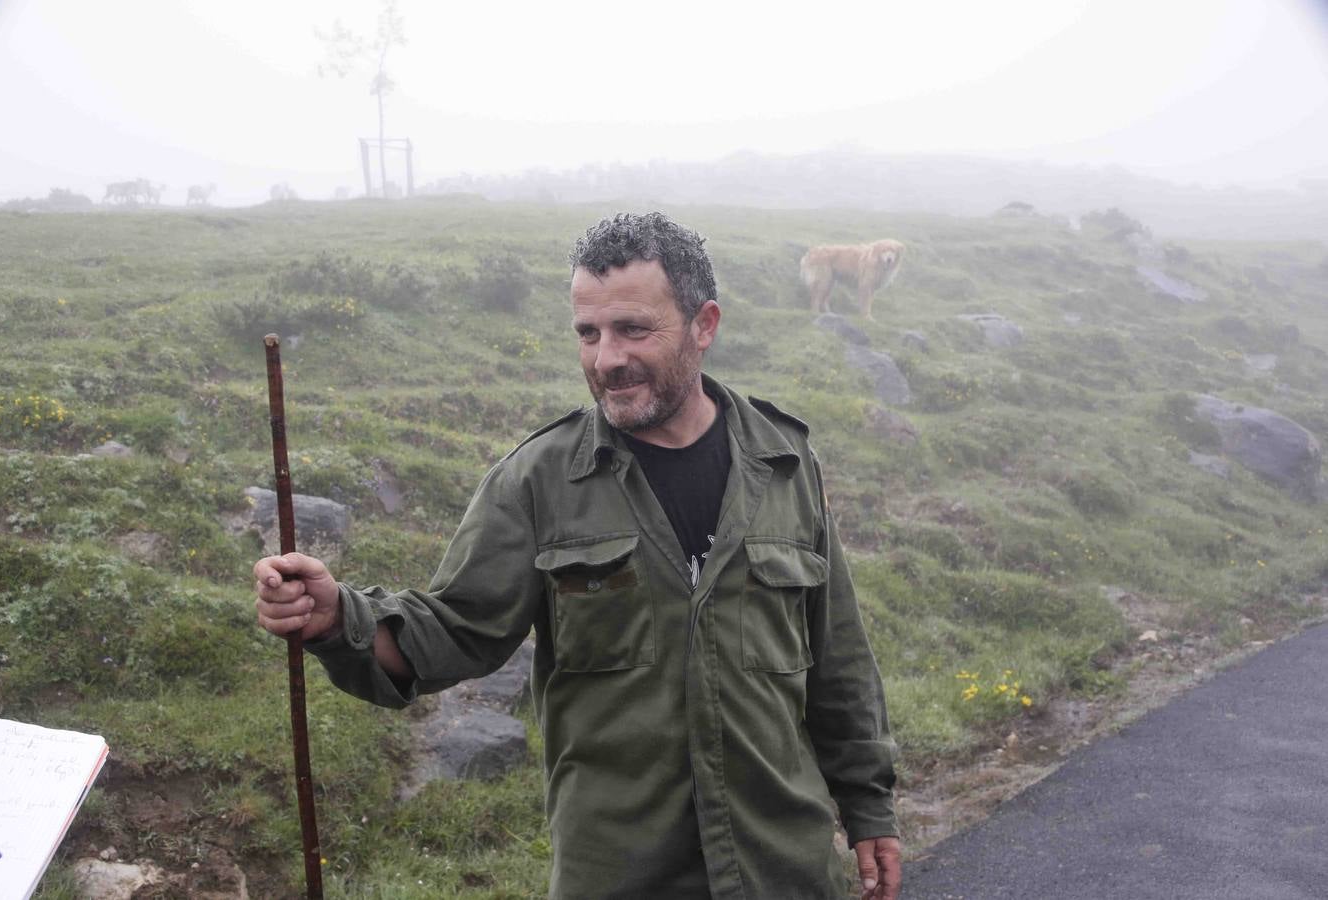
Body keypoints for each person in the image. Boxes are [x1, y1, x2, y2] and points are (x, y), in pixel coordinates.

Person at [254, 212, 901, 899]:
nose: (605, 359)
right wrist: (336, 618)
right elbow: (452, 631)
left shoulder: (785, 463)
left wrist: (869, 808)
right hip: (621, 877)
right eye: (587, 334)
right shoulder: (539, 480)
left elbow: (839, 659)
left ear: (704, 325)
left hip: (787, 870)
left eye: (633, 330)